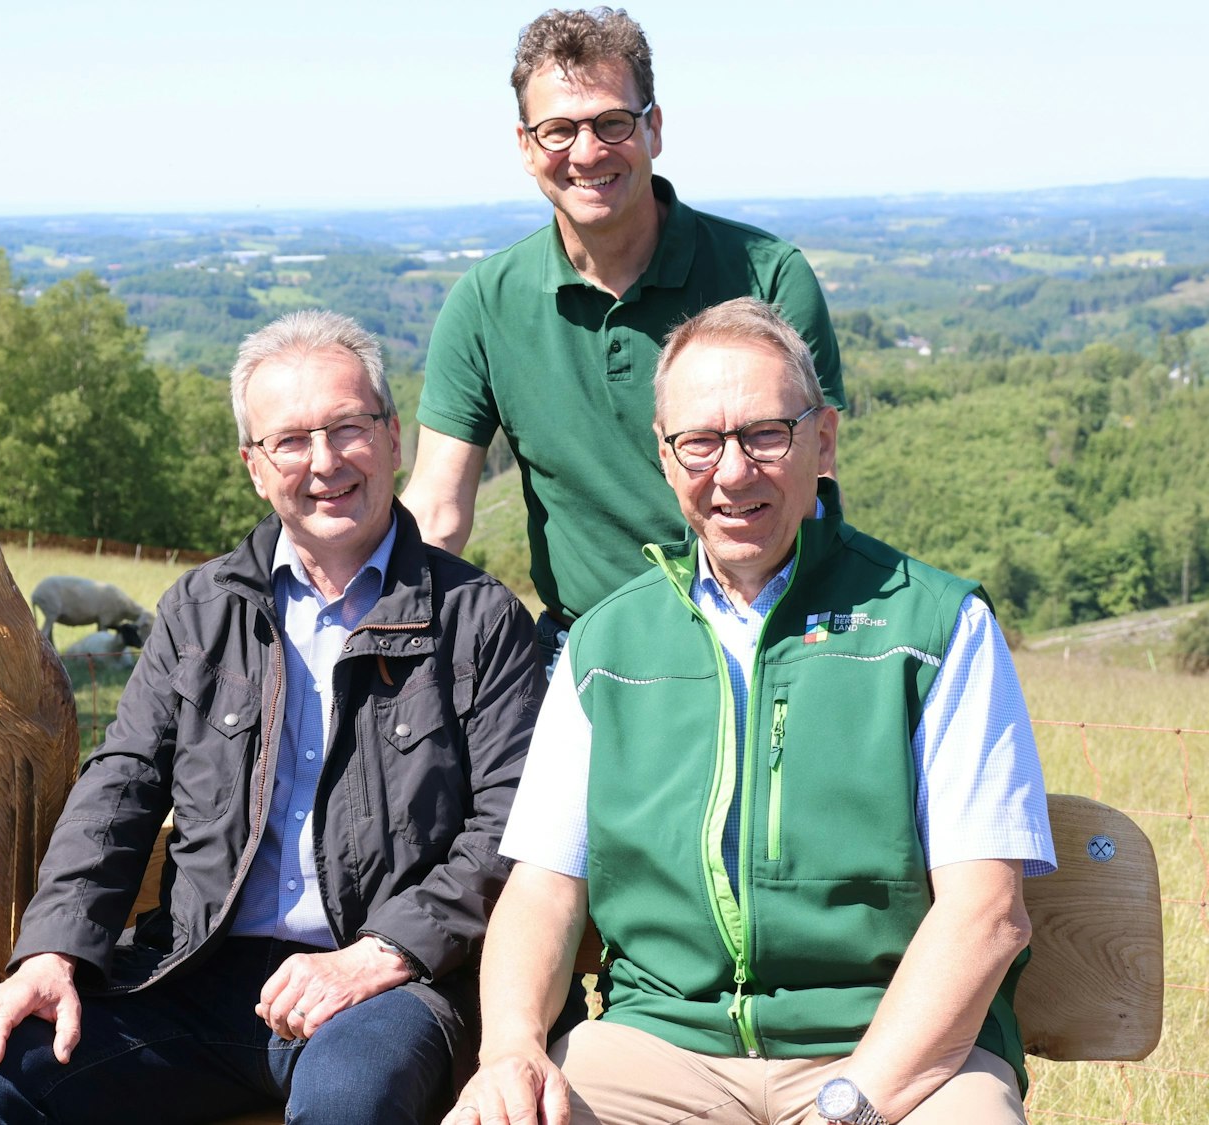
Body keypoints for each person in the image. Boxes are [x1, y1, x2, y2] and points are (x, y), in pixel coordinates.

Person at [447, 297, 1055, 1125]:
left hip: (895, 1053)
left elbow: (987, 913)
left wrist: (853, 1103)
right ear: (665, 458)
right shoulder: (604, 644)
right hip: (656, 1048)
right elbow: (544, 890)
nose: (732, 472)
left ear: (824, 441)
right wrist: (511, 1045)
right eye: (699, 442)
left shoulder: (937, 626)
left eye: (765, 434)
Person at [0, 309, 543, 1125]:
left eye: (348, 428)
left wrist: (384, 951)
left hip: (385, 985)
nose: (324, 461)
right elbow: (123, 785)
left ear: (394, 439)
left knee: (348, 1104)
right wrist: (53, 951)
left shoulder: (476, 618)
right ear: (254, 466)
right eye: (290, 441)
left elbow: (506, 825)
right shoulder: (201, 607)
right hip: (197, 973)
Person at [402, 6, 844, 672]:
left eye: (612, 122)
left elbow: (810, 488)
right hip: (583, 655)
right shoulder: (486, 304)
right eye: (558, 130)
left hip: (763, 637)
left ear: (654, 129)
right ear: (525, 147)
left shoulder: (766, 275)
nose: (586, 152)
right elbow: (436, 510)